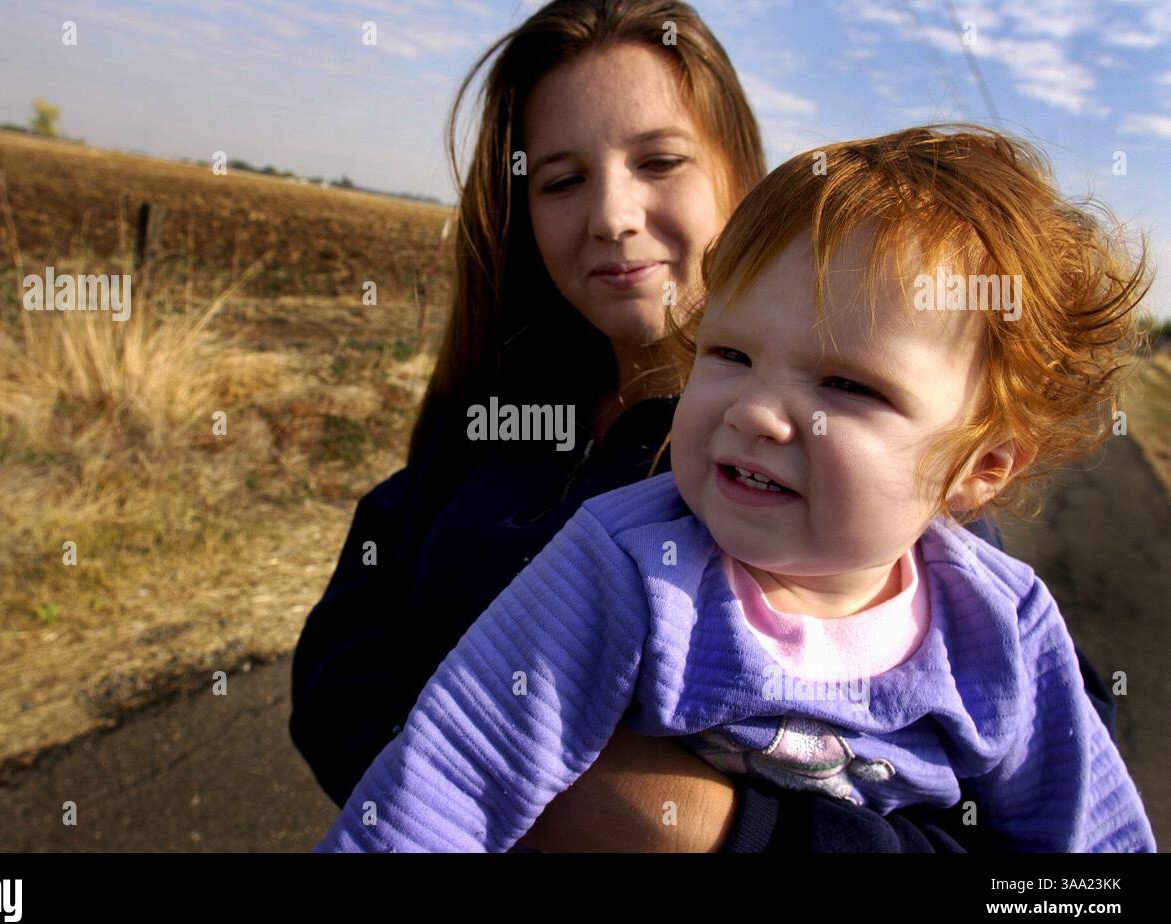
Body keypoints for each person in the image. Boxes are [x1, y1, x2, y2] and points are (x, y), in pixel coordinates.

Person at [291, 0, 1116, 853]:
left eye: (659, 160)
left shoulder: (918, 525)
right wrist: (523, 801)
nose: (611, 214)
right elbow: (349, 678)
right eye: (561, 180)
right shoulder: (499, 430)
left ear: (738, 175)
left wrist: (720, 831)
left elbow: (1062, 847)